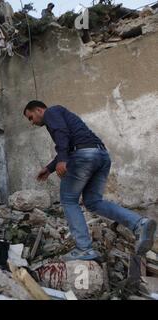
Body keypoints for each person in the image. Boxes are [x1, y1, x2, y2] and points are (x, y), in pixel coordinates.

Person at [23, 100, 156, 261]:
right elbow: (72, 140)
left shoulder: (52, 112)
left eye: (31, 117)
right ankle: (139, 223)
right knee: (93, 202)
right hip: (101, 156)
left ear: (39, 110)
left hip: (84, 156)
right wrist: (50, 168)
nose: (32, 123)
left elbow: (62, 133)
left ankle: (84, 249)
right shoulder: (63, 115)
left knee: (69, 200)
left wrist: (63, 159)